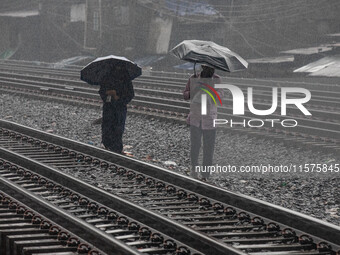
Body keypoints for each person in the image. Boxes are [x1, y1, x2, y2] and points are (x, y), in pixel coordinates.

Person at [183, 65, 222, 181]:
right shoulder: (193, 77)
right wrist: (193, 91)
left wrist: (212, 91)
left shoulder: (217, 79)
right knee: (195, 146)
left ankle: (205, 175)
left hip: (209, 119)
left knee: (208, 148)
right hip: (195, 118)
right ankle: (194, 169)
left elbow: (221, 96)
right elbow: (185, 94)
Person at [98, 68, 134, 154]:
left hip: (118, 107)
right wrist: (107, 94)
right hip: (110, 106)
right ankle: (107, 144)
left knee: (117, 127)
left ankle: (116, 147)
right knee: (108, 126)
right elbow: (102, 91)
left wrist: (117, 97)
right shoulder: (107, 78)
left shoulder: (125, 79)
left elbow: (130, 94)